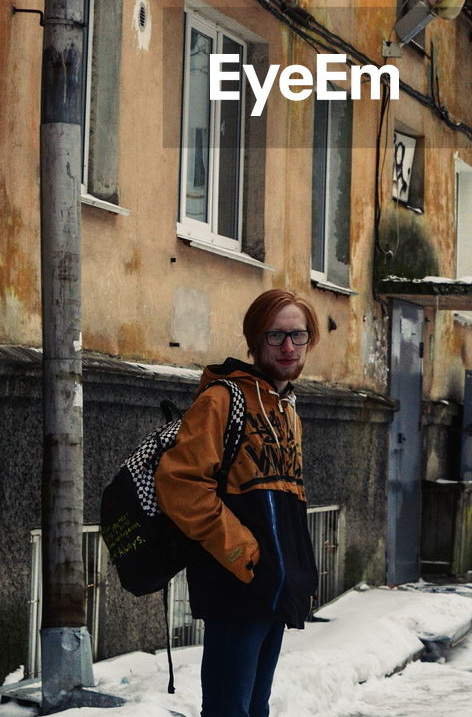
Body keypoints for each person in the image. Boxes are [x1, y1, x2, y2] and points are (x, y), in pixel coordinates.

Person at [155, 288, 320, 717]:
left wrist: (296, 573)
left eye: (298, 336)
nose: (287, 347)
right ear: (253, 341)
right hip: (236, 584)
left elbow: (288, 502)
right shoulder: (222, 400)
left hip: (275, 589)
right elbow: (181, 484)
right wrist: (241, 552)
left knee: (255, 709)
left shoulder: (288, 411)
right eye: (275, 336)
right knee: (229, 710)